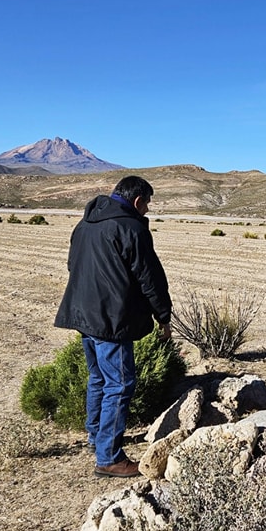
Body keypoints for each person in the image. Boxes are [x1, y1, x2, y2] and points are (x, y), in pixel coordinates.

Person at [54, 175, 173, 478]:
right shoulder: (130, 227)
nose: (147, 210)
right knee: (120, 384)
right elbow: (150, 277)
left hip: (84, 313)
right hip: (111, 318)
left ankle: (96, 436)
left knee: (98, 378)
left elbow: (72, 265)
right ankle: (109, 457)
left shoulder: (85, 224)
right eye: (147, 203)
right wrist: (163, 315)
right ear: (137, 201)